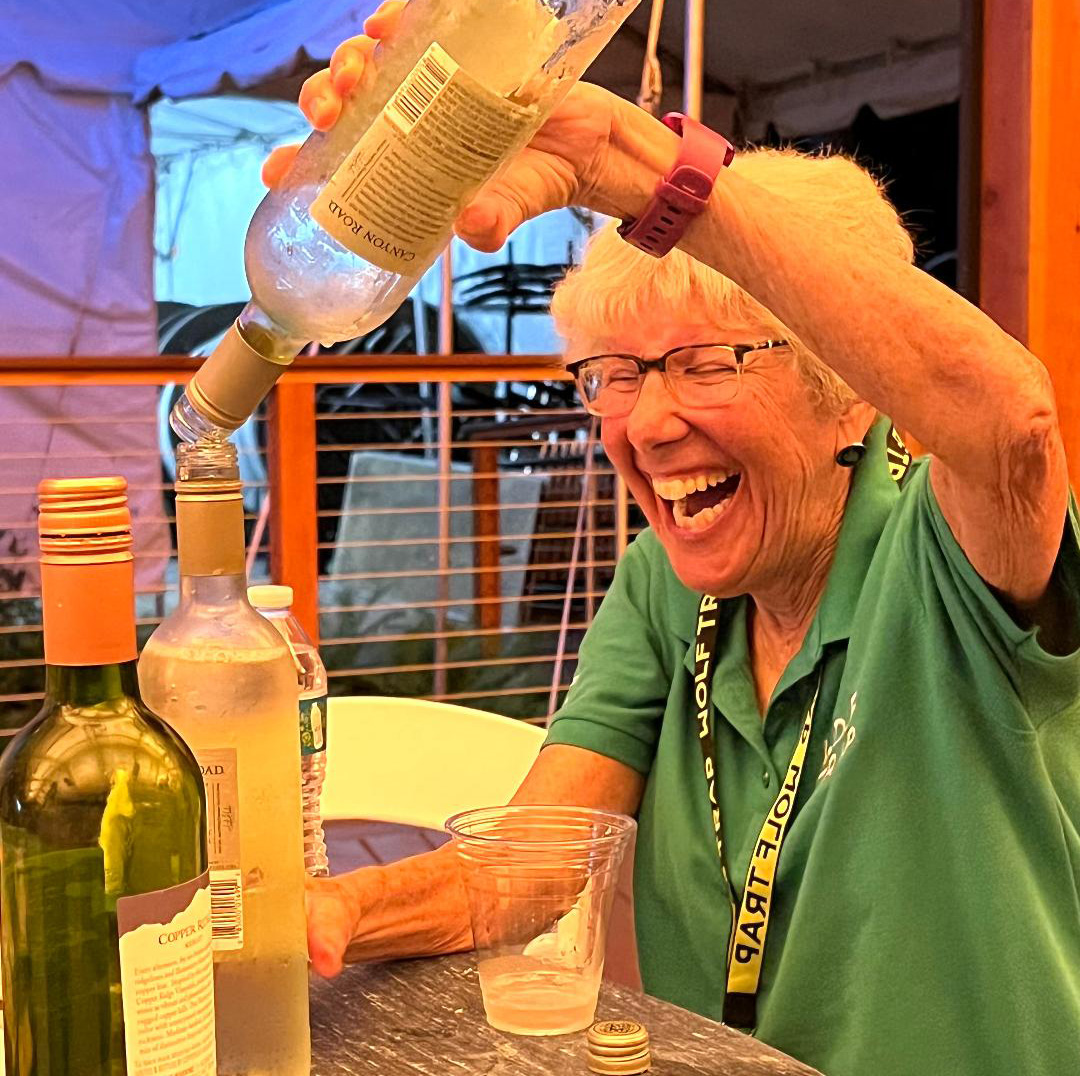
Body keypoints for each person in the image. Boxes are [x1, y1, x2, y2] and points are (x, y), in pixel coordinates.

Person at [264, 4, 1080, 1073]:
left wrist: (630, 161)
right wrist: (323, 914)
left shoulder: (946, 554)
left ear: (850, 398)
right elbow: (532, 864)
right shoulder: (663, 586)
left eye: (708, 363)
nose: (646, 426)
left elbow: (1013, 421)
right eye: (615, 373)